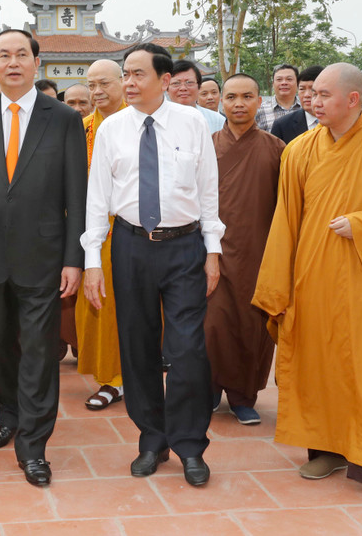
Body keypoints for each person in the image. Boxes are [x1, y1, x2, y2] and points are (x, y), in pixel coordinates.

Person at [253, 63, 362, 518]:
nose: (313, 100)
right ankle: (326, 451)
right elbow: (286, 222)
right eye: (312, 94)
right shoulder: (299, 151)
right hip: (312, 283)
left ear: (352, 100)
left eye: (324, 94)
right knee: (320, 368)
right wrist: (279, 288)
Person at [0, 29, 88, 487]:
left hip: (44, 256)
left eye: (21, 54)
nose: (12, 62)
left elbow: (76, 195)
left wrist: (74, 258)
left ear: (35, 62)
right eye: (3, 55)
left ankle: (33, 445)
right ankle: (8, 413)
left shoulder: (64, 118)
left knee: (39, 353)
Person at [82, 43, 223, 488]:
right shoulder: (112, 130)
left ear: (164, 80)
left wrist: (213, 250)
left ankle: (189, 445)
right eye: (126, 74)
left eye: (137, 74)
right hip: (130, 246)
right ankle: (151, 439)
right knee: (137, 346)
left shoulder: (193, 123)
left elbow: (208, 192)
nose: (128, 82)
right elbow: (96, 199)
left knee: (187, 350)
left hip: (184, 249)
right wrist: (92, 260)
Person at [205, 74, 284, 425]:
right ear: (221, 102)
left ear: (259, 101)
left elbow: (288, 205)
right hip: (211, 252)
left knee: (252, 324)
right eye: (232, 97)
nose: (239, 103)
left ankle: (243, 396)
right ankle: (207, 390)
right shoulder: (205, 146)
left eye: (247, 96)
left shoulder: (277, 148)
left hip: (258, 250)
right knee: (210, 324)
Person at [77, 59, 127, 410]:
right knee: (97, 306)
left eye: (104, 84)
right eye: (91, 85)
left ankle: (127, 377)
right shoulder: (82, 129)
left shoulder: (137, 123)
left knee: (132, 306)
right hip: (92, 233)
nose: (97, 92)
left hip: (132, 230)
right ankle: (110, 378)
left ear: (123, 82)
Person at [168, 60, 225, 133]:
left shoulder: (218, 120)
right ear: (166, 87)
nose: (183, 88)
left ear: (199, 87)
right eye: (176, 83)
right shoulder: (156, 120)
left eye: (189, 82)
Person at [270, 65, 323, 144]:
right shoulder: (282, 125)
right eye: (302, 89)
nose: (306, 95)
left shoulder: (341, 121)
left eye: (312, 89)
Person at [255, 64, 300, 131]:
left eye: (289, 79)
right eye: (279, 79)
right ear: (273, 84)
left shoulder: (307, 108)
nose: (284, 83)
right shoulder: (260, 110)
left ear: (298, 83)